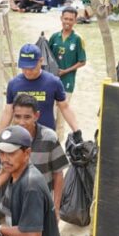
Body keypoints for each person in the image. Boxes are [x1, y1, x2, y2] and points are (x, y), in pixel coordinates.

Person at [0, 93, 68, 223]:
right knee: (13, 234)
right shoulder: (9, 138)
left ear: (36, 116)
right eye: (17, 116)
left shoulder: (49, 138)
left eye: (27, 117)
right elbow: (6, 169)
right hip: (13, 204)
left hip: (41, 205)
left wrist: (55, 209)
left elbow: (58, 174)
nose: (21, 122)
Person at [0, 43, 81, 138]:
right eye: (24, 68)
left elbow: (65, 107)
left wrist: (77, 131)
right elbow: (8, 111)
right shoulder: (13, 84)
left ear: (41, 61)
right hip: (20, 137)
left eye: (31, 68)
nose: (27, 71)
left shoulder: (53, 82)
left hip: (46, 137)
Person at [49, 7, 87, 140]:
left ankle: (58, 144)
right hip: (52, 81)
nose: (68, 22)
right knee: (49, 115)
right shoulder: (54, 37)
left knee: (61, 116)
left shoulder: (77, 39)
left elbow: (82, 61)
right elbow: (47, 57)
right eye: (66, 19)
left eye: (71, 19)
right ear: (61, 19)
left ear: (75, 21)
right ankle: (48, 142)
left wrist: (66, 71)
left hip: (67, 82)